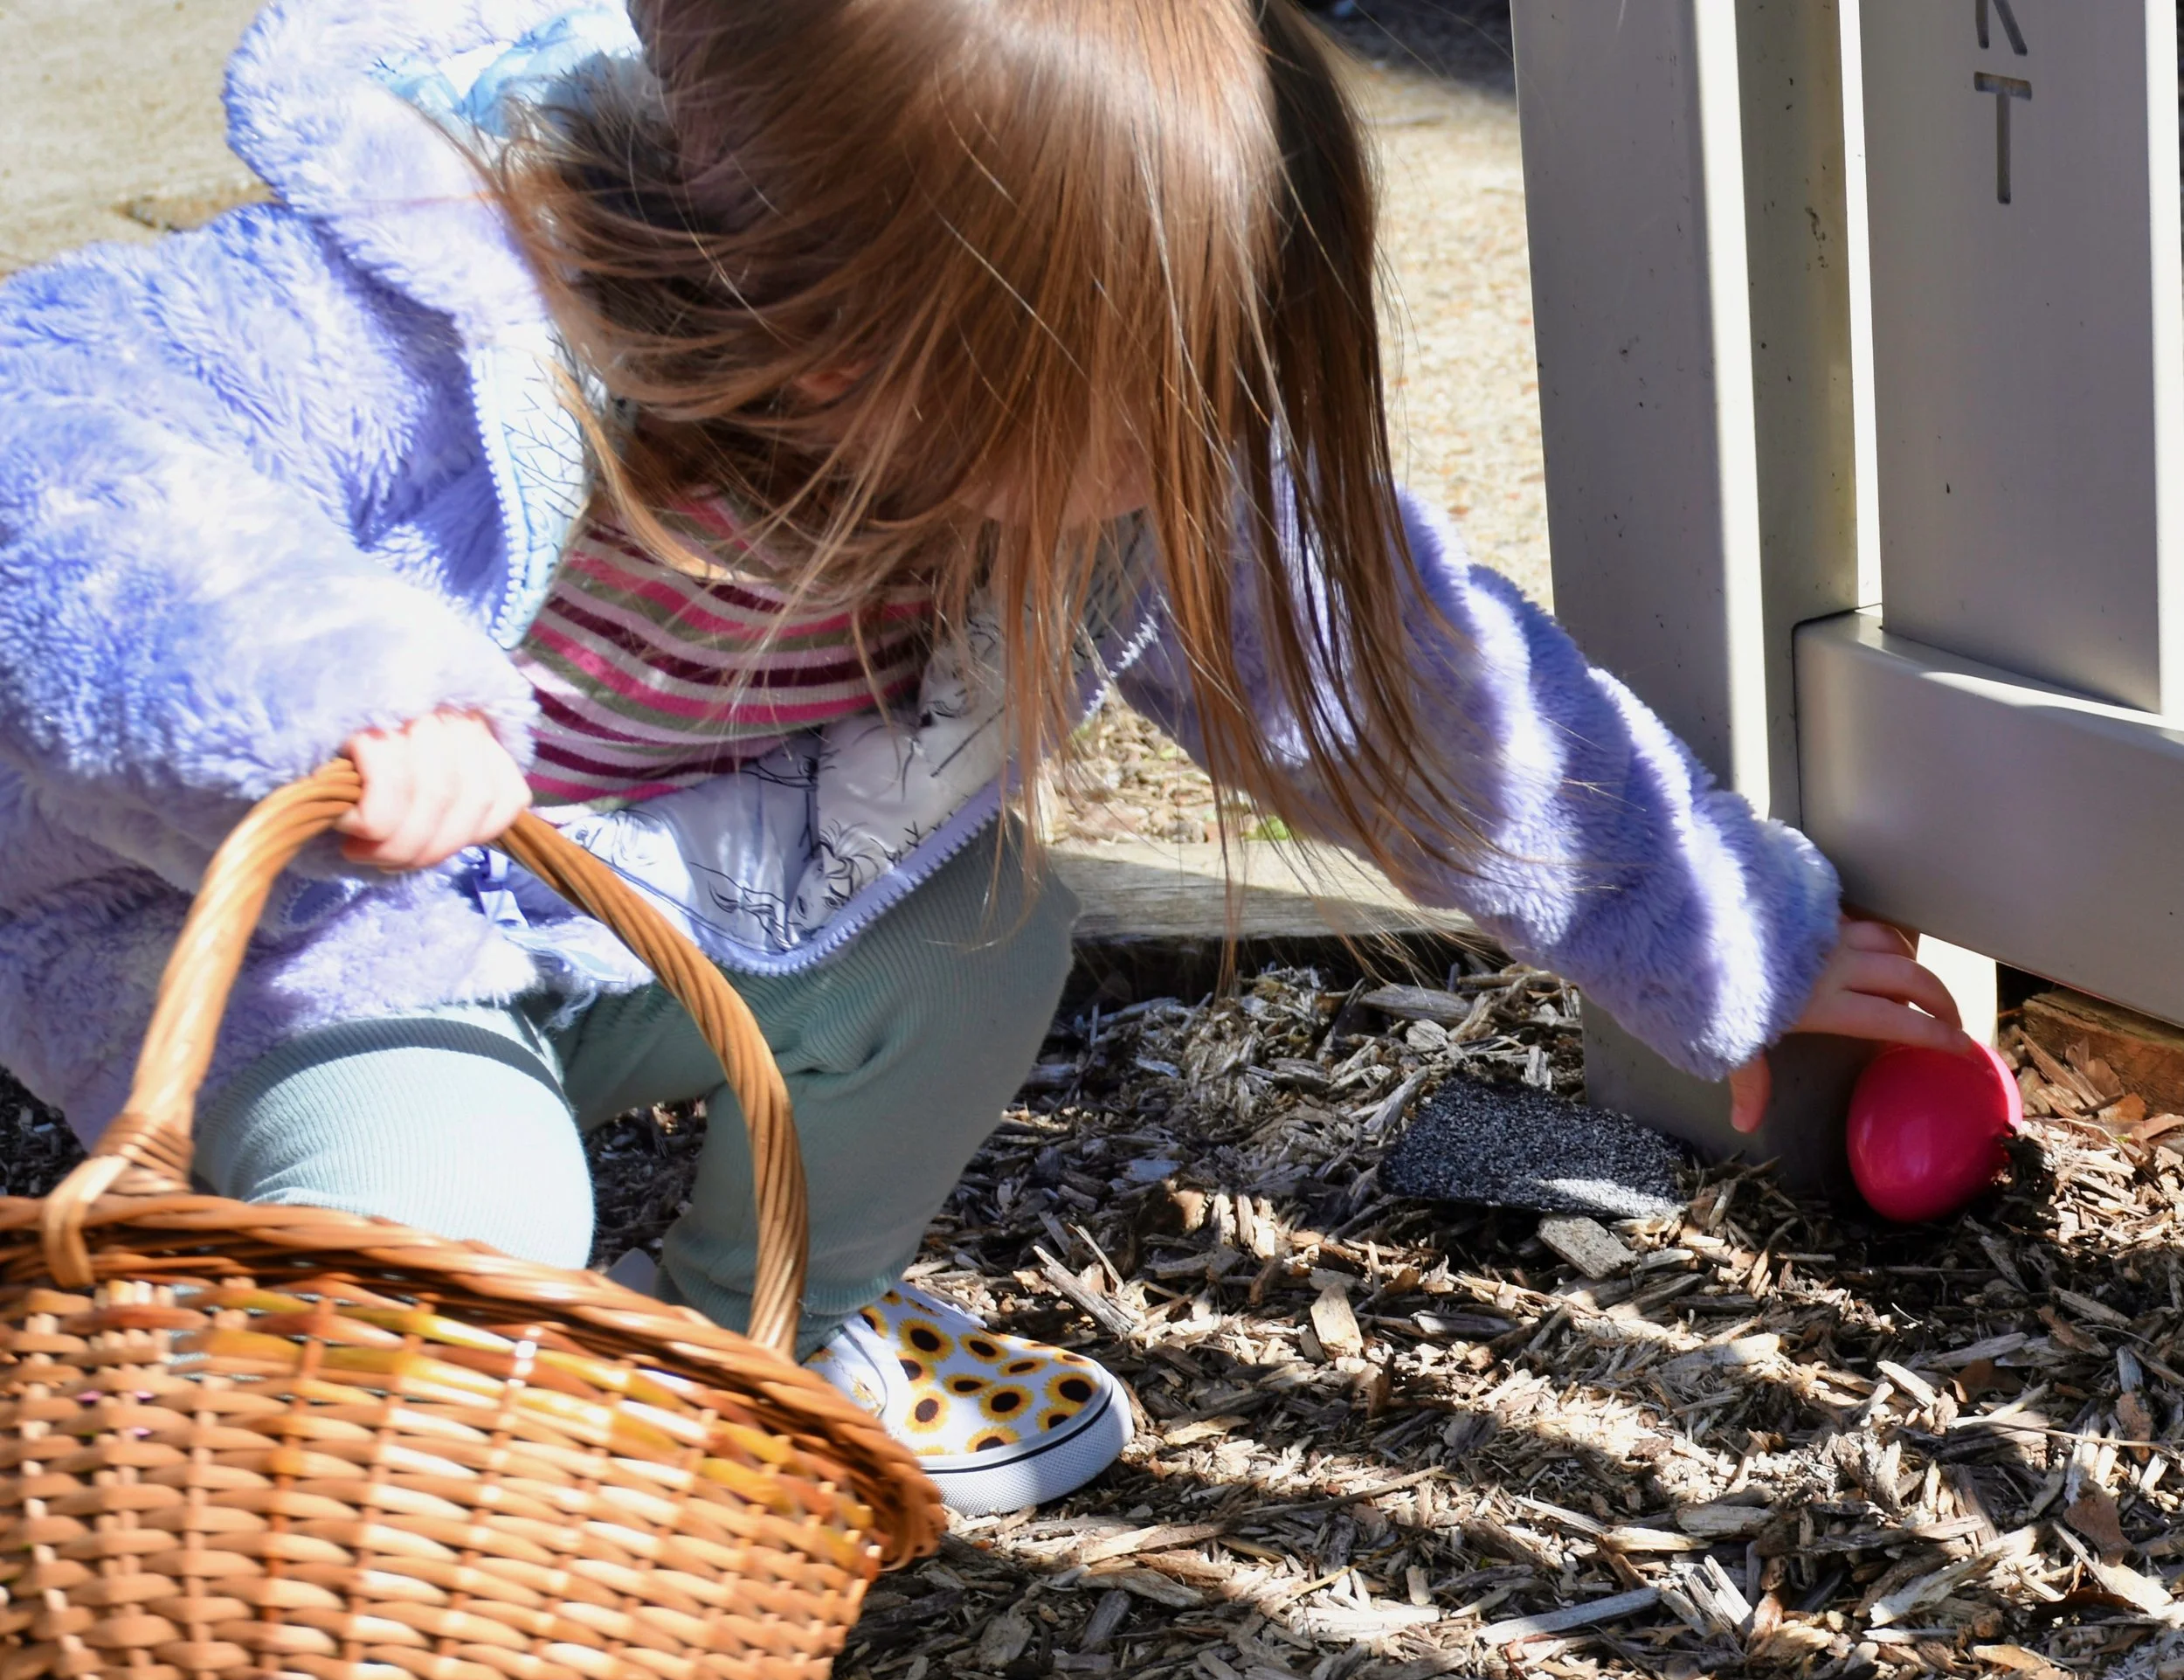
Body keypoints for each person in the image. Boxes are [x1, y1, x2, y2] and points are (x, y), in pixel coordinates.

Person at [0, 0, 1966, 1538]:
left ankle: (751, 1359)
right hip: (301, 933)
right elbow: (68, 460)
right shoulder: (424, 312)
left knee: (975, 932)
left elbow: (1427, 687)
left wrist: (1723, 925)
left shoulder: (1083, 429)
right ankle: (101, 1659)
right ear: (859, 353)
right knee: (468, 1258)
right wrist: (333, 684)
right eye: (1164, 404)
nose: (1208, 453)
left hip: (645, 914)